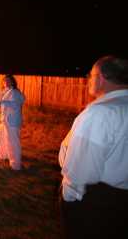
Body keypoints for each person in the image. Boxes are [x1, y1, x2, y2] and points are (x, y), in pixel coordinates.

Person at [58, 55, 128, 238]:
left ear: (102, 77)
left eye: (91, 74)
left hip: (95, 203)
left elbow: (80, 171)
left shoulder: (100, 113)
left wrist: (68, 200)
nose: (88, 79)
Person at [0, 74, 25, 170]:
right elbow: (2, 107)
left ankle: (15, 164)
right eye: (4, 81)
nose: (6, 82)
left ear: (12, 82)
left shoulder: (15, 92)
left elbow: (16, 104)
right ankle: (4, 155)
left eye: (8, 81)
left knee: (13, 141)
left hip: (12, 121)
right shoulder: (5, 92)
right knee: (1, 136)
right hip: (4, 120)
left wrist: (3, 102)